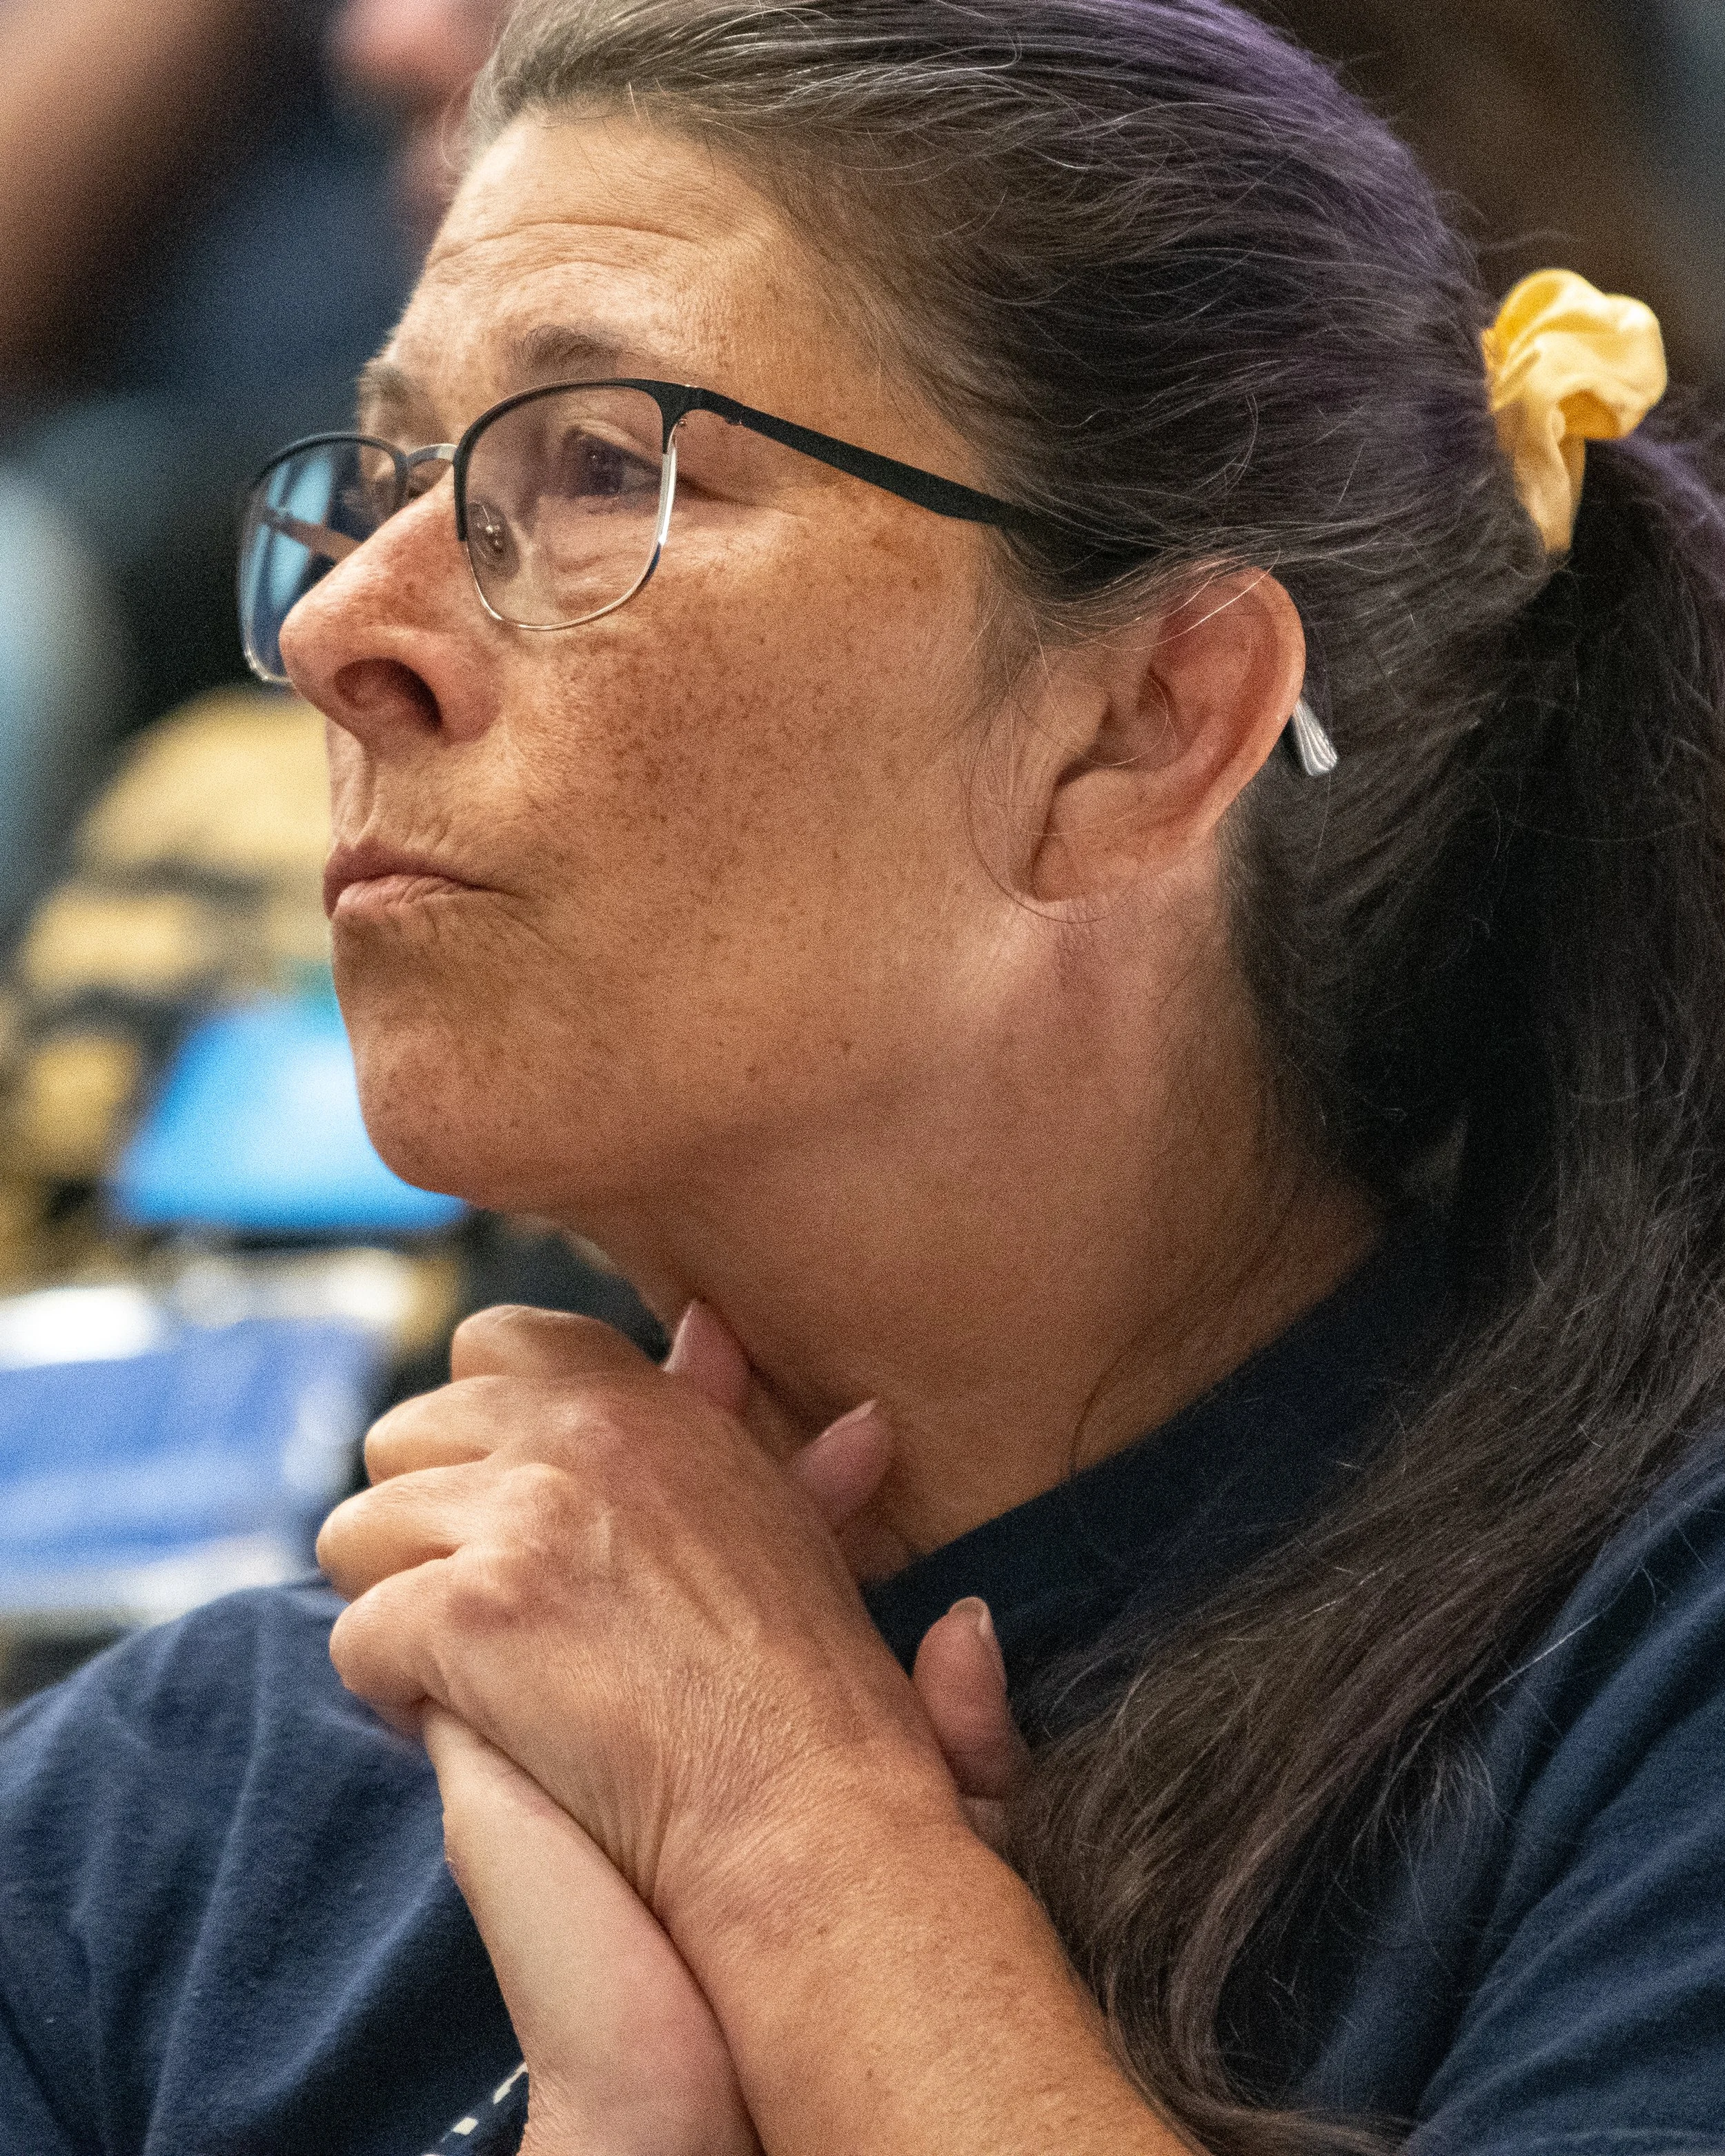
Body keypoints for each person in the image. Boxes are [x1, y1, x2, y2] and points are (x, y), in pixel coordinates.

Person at [4, 3, 1725, 2154]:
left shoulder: (1640, 1681)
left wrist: (796, 1834)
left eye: (601, 468)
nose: (349, 621)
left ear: (1147, 724)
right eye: (376, 485)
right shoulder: (179, 1807)